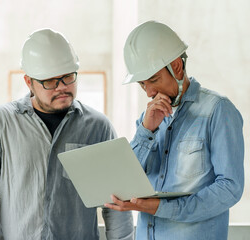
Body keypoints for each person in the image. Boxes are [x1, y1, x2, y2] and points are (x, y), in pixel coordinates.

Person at [0, 28, 134, 240]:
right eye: (50, 81)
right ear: (29, 82)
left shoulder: (98, 128)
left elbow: (116, 204)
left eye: (68, 77)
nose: (62, 87)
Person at [104, 21, 244, 240]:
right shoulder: (147, 119)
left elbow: (230, 188)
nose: (149, 91)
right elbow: (123, 181)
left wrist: (164, 208)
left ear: (177, 66)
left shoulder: (217, 110)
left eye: (153, 80)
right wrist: (145, 131)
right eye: (142, 84)